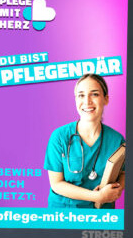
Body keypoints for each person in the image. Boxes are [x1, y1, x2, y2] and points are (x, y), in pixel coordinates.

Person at [45, 73, 125, 208]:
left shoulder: (117, 140)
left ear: (106, 99)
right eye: (81, 95)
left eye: (94, 94)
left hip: (101, 215)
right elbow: (56, 184)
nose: (87, 101)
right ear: (76, 99)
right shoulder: (59, 137)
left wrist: (117, 189)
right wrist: (97, 196)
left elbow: (123, 173)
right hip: (64, 214)